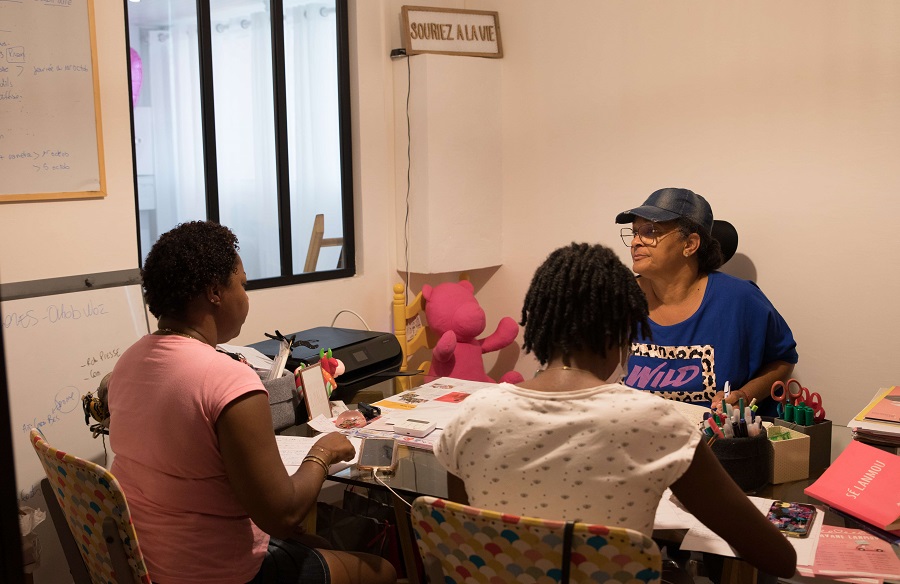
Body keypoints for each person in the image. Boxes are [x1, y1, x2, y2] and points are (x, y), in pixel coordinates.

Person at [433, 243, 796, 578]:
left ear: (541, 322)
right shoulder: (655, 422)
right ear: (623, 331)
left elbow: (468, 531)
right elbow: (778, 558)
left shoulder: (473, 414)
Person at [107, 221, 396, 584]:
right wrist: (321, 454)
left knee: (316, 541)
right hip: (217, 573)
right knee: (381, 571)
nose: (246, 297)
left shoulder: (129, 361)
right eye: (242, 284)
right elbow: (283, 515)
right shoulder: (226, 378)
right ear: (215, 292)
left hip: (148, 564)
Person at [615, 188, 798, 415]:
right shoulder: (619, 299)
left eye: (650, 231)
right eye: (634, 232)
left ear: (690, 244)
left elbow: (782, 360)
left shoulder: (740, 300)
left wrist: (744, 396)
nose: (635, 242)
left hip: (712, 441)